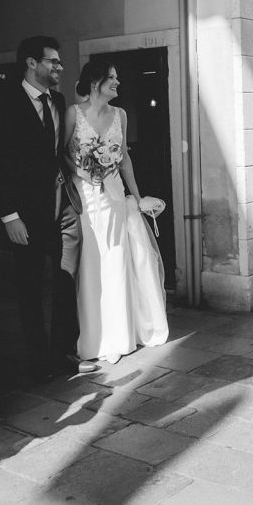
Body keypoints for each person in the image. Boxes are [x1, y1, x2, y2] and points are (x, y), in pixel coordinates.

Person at [0, 36, 93, 381]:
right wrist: (9, 215)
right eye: (53, 62)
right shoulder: (3, 102)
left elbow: (58, 153)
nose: (59, 68)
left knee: (66, 282)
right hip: (25, 215)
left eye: (60, 63)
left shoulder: (59, 101)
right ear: (32, 63)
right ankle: (37, 362)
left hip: (62, 209)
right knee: (29, 287)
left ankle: (64, 352)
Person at [64, 59, 169, 365]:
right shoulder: (74, 113)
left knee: (116, 262)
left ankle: (119, 337)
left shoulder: (120, 115)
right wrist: (82, 172)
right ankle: (94, 338)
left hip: (114, 198)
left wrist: (137, 198)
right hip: (85, 200)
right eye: (112, 78)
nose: (118, 83)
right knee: (91, 265)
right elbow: (60, 154)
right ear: (95, 82)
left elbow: (124, 161)